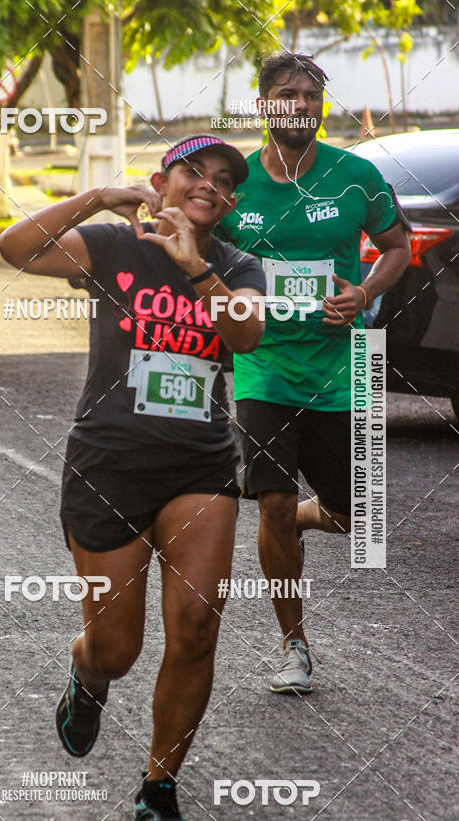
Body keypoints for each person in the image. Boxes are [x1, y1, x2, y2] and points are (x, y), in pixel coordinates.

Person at [0, 135, 266, 821]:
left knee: (200, 626)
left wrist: (196, 270)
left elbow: (248, 336)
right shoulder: (114, 246)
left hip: (200, 466)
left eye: (222, 180)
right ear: (162, 182)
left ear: (230, 200)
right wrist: (96, 197)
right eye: (193, 172)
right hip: (110, 464)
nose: (209, 184)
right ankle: (88, 675)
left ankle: (159, 786)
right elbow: (15, 248)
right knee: (117, 648)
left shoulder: (238, 266)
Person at [214, 53, 411, 694]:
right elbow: (195, 245)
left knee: (357, 516)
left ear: (322, 105)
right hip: (263, 364)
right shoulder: (235, 186)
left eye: (309, 95)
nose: (297, 104)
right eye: (284, 94)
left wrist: (366, 293)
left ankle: (304, 513)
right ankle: (293, 644)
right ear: (263, 104)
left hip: (338, 366)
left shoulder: (355, 176)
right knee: (270, 499)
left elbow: (398, 246)